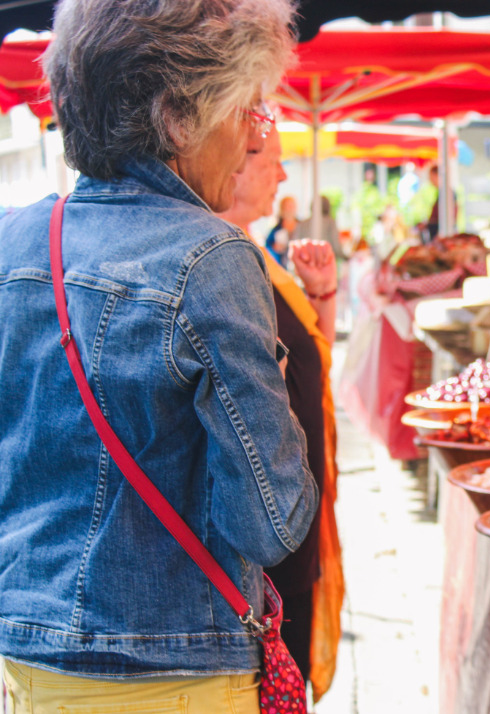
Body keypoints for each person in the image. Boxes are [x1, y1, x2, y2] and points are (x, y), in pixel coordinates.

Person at [0, 1, 317, 711]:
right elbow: (272, 522)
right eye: (247, 113)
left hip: (24, 662)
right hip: (173, 674)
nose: (249, 140)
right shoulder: (211, 256)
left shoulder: (14, 241)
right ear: (180, 116)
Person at [218, 128, 344, 698]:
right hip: (264, 533)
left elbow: (305, 369)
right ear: (230, 165)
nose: (285, 175)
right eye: (272, 160)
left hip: (289, 511)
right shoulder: (219, 263)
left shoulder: (253, 255)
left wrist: (321, 295)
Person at [421, 163, 457, 243]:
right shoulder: (442, 192)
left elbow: (449, 216)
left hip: (441, 236)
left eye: (431, 177)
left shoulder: (447, 193)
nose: (430, 180)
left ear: (437, 176)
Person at [266, 194, 298, 266]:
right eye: (287, 206)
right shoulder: (276, 230)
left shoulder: (301, 226)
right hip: (282, 266)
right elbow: (268, 247)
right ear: (282, 208)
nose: (290, 209)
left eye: (292, 206)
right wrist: (274, 248)